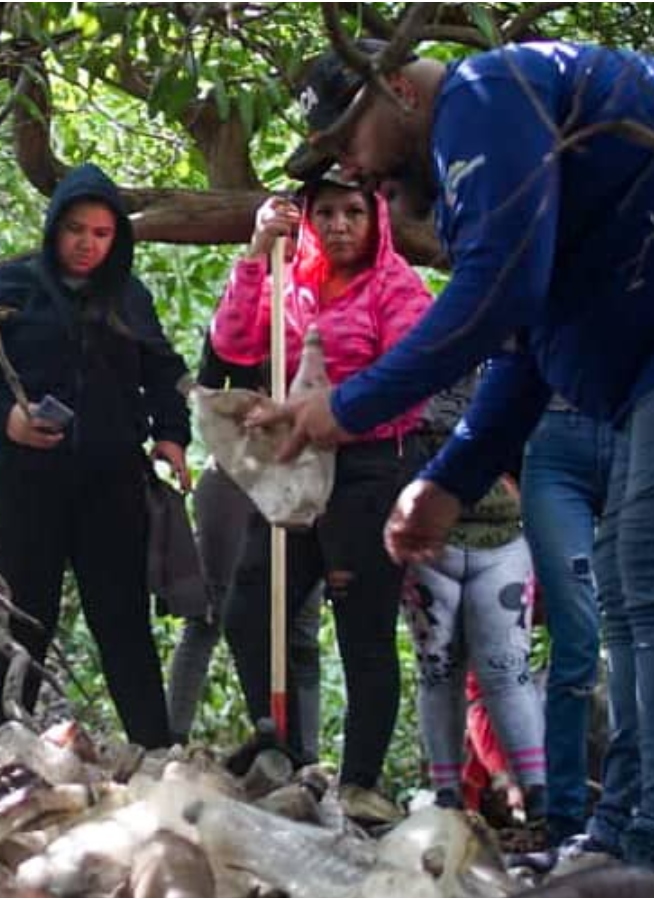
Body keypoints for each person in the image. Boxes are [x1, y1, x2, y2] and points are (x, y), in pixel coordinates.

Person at [271, 40, 654, 874]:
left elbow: (499, 294)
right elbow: (520, 345)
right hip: (648, 368)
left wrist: (347, 406)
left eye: (349, 141)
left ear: (396, 86)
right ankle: (622, 837)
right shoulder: (481, 172)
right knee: (631, 588)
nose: (354, 169)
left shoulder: (489, 92)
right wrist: (450, 479)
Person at [0, 163, 192, 749]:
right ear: (54, 228)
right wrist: (6, 418)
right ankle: (5, 752)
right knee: (25, 618)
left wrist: (172, 434)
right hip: (24, 482)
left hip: (112, 483)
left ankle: (154, 751)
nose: (87, 244)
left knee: (123, 619)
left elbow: (164, 372)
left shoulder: (130, 297)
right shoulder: (8, 288)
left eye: (102, 233)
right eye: (76, 229)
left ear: (116, 238)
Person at [210, 171, 432, 811]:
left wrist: (331, 410)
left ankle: (360, 782)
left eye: (352, 213)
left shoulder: (397, 287)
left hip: (367, 470)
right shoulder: (291, 279)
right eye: (326, 213)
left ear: (375, 218)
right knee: (252, 606)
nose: (338, 226)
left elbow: (409, 385)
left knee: (361, 625)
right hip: (293, 466)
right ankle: (283, 753)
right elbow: (232, 341)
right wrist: (256, 251)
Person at [165, 333, 323, 757]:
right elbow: (208, 388)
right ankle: (172, 738)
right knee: (209, 615)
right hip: (238, 477)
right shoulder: (240, 316)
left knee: (302, 628)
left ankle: (302, 752)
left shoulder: (329, 317)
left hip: (305, 481)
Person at [399, 371, 545, 817]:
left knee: (503, 668)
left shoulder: (505, 373)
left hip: (499, 536)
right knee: (441, 668)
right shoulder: (409, 377)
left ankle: (536, 791)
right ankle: (450, 794)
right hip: (429, 537)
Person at [519, 398, 616, 846]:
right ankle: (565, 823)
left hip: (642, 419)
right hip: (552, 429)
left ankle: (644, 812)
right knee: (577, 638)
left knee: (643, 631)